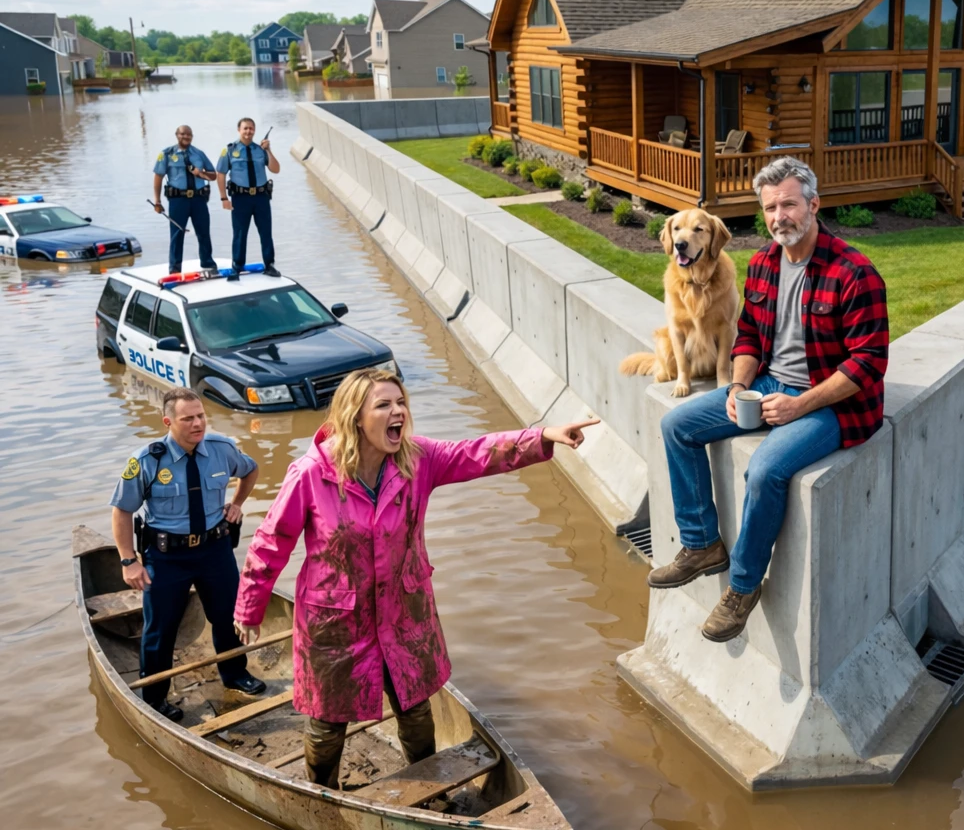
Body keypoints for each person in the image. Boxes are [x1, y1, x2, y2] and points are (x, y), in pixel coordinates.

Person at [233, 367, 598, 788]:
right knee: (328, 721)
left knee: (415, 705)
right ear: (356, 416)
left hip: (403, 612)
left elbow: (478, 452)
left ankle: (430, 785)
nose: (398, 412)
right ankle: (321, 791)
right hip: (335, 621)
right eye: (384, 405)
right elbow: (270, 542)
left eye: (401, 402)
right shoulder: (312, 474)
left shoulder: (416, 460)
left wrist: (544, 436)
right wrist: (249, 608)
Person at [649, 156, 888, 643]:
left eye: (789, 204)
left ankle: (741, 586)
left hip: (834, 405)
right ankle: (701, 545)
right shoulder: (761, 265)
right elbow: (749, 339)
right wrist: (738, 388)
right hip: (770, 386)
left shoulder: (855, 272)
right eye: (771, 208)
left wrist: (801, 405)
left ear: (813, 205)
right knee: (678, 426)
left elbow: (868, 364)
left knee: (764, 469)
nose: (780, 216)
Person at [110, 387, 267, 721]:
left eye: (201, 416)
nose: (198, 424)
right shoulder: (147, 460)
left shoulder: (222, 449)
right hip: (166, 557)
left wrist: (236, 504)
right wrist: (128, 560)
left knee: (228, 616)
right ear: (168, 421)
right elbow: (122, 511)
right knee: (160, 629)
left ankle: (235, 674)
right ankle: (154, 697)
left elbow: (250, 470)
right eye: (188, 418)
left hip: (215, 549)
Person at [216, 117, 280, 279]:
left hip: (261, 197)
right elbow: (221, 173)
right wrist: (224, 198)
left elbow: (275, 169)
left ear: (254, 131)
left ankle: (269, 265)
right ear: (239, 130)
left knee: (266, 232)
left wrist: (269, 150)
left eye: (251, 128)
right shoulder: (230, 150)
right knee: (239, 233)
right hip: (240, 198)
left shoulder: (260, 150)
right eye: (245, 128)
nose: (248, 131)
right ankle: (237, 266)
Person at [152, 125, 218, 271]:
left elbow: (213, 175)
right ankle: (175, 268)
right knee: (177, 234)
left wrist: (200, 174)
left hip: (198, 200)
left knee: (203, 232)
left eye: (189, 135)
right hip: (178, 201)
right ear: (177, 135)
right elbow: (158, 177)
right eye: (183, 134)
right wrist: (157, 201)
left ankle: (207, 263)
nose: (186, 137)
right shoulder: (167, 154)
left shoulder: (199, 154)